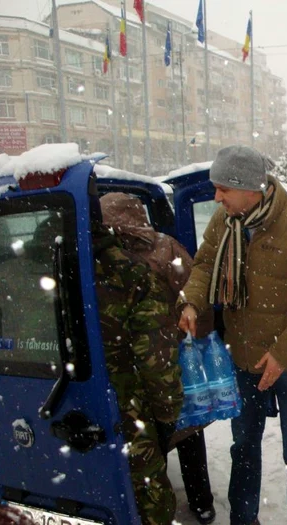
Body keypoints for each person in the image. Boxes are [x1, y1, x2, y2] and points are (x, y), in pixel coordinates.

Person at [177, 145, 287, 525]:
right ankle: (243, 519)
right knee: (244, 447)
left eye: (223, 189)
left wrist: (282, 354)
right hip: (243, 357)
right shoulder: (224, 221)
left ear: (249, 188)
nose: (216, 197)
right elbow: (204, 266)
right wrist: (190, 303)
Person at [100, 192, 216, 525]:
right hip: (174, 353)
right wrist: (200, 338)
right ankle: (201, 501)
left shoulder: (101, 256)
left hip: (127, 367)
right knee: (188, 428)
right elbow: (197, 294)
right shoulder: (166, 247)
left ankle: (152, 495)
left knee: (146, 437)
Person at [91, 207, 184, 525]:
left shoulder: (22, 268)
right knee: (150, 505)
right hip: (124, 410)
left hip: (40, 403)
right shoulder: (131, 274)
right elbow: (155, 359)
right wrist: (167, 414)